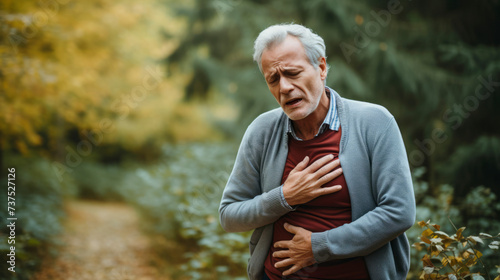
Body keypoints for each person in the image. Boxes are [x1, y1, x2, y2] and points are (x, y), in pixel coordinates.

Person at [218, 23, 416, 280]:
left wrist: (319, 247)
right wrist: (284, 197)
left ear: (321, 68)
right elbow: (229, 215)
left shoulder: (375, 122)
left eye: (293, 73)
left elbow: (398, 212)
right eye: (273, 79)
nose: (285, 87)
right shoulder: (262, 130)